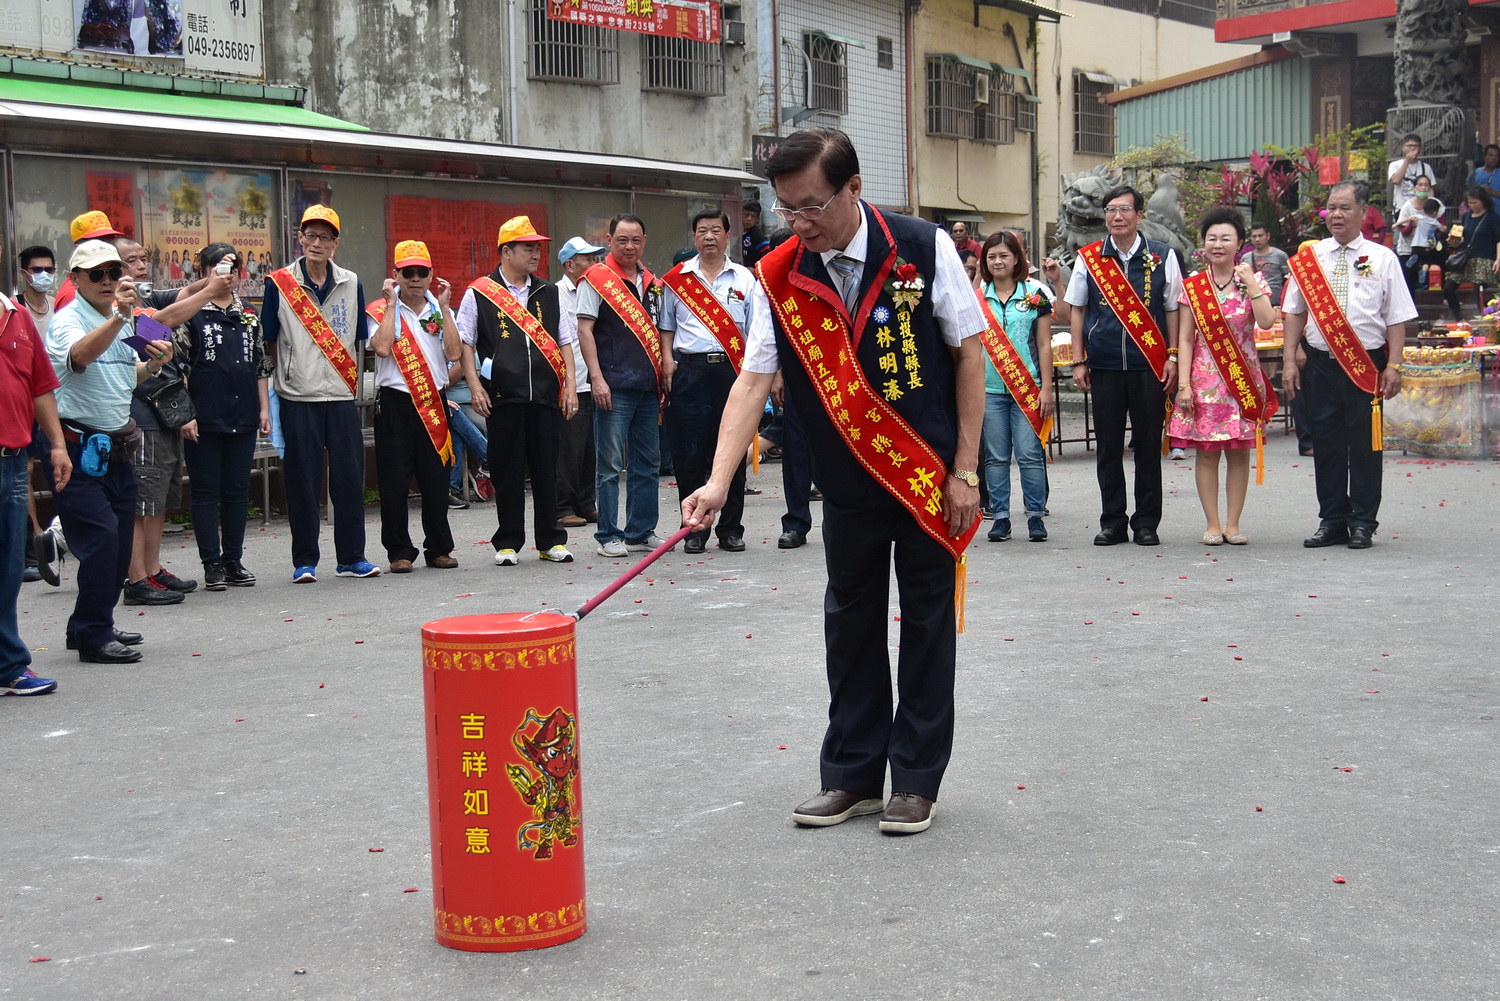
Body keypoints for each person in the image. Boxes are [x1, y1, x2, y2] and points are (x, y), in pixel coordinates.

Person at [682, 127, 987, 836]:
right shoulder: (780, 273)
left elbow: (969, 356)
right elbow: (755, 376)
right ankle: (851, 774)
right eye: (787, 208)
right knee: (849, 622)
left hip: (926, 477)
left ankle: (914, 779)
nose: (800, 222)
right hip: (845, 479)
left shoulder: (921, 246)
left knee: (927, 623)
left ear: (854, 187)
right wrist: (719, 480)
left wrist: (966, 468)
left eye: (812, 206)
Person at [44, 240, 175, 663]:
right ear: (76, 279)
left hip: (119, 446)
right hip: (79, 446)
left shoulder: (131, 318)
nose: (107, 281)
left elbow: (137, 366)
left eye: (113, 273)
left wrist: (155, 363)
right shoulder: (70, 319)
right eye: (96, 274)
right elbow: (79, 357)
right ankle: (94, 636)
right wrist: (121, 318)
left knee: (118, 544)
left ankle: (87, 623)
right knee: (101, 539)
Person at [1282, 180, 1417, 550]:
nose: (1336, 215)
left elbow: (1397, 318)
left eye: (1344, 208)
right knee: (1325, 443)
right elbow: (1293, 311)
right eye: (1331, 208)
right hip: (1321, 365)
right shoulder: (1310, 258)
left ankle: (1362, 522)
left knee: (1364, 444)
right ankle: (1332, 520)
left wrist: (1394, 364)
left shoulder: (1383, 258)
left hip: (1366, 364)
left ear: (1362, 212)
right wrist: (1290, 359)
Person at [260, 204, 377, 582]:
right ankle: (304, 561)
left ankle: (351, 557)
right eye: (310, 235)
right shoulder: (279, 283)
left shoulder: (351, 281)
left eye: (324, 237)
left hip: (342, 396)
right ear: (300, 238)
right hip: (298, 397)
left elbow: (360, 337)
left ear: (335, 243)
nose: (316, 243)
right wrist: (291, 372)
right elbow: (270, 341)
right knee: (302, 483)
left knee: (347, 479)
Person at [1065, 184, 1183, 546]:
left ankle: (1146, 522)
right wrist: (1078, 359)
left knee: (1148, 446)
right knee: (1109, 447)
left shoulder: (1163, 256)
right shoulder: (1090, 258)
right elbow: (1078, 309)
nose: (1117, 216)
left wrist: (1173, 355)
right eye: (1111, 210)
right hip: (1104, 366)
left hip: (1149, 365)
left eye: (1125, 210)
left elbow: (1173, 308)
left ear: (1139, 215)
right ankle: (1113, 521)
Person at [458, 216, 578, 566]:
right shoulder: (479, 292)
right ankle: (508, 541)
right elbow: (466, 342)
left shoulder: (548, 291)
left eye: (537, 248)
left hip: (544, 395)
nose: (536, 254)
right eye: (528, 248)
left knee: (546, 469)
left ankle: (551, 540)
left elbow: (566, 341)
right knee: (507, 470)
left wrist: (569, 385)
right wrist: (476, 385)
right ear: (506, 251)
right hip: (502, 396)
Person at [121, 237, 233, 605]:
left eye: (142, 258)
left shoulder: (147, 296)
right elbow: (161, 325)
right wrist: (210, 290)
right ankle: (135, 577)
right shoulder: (117, 310)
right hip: (142, 414)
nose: (140, 265)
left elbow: (182, 292)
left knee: (160, 499)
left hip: (166, 413)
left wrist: (215, 277)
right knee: (141, 502)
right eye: (131, 260)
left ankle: (152, 569)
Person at [1167, 208, 1278, 547]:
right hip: (1203, 380)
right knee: (1207, 453)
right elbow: (1185, 338)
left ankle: (1233, 523)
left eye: (1225, 238)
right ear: (1204, 245)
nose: (1218, 244)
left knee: (1240, 452)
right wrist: (1183, 384)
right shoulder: (1194, 287)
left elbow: (1267, 322)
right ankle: (1212, 524)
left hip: (1242, 379)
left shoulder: (1252, 281)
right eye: (1212, 238)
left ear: (1240, 243)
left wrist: (1251, 284)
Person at [658, 210, 756, 554]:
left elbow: (757, 330)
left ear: (728, 236)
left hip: (733, 371)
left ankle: (730, 528)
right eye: (702, 231)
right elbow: (666, 327)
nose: (709, 236)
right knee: (690, 453)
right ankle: (694, 529)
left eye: (716, 230)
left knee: (731, 447)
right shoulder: (677, 279)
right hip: (690, 372)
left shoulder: (745, 279)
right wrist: (668, 360)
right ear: (695, 237)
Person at [174, 242, 270, 590]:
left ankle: (233, 559)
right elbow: (179, 365)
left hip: (242, 411)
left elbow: (260, 364)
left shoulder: (248, 314)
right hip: (204, 414)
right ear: (205, 271)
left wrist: (263, 409)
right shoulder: (192, 311)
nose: (228, 274)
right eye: (219, 267)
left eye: (233, 267)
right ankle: (211, 563)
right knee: (203, 491)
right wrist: (186, 413)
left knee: (236, 490)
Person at [575, 214, 668, 559]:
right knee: (610, 464)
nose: (629, 246)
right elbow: (585, 330)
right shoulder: (597, 279)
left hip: (647, 385)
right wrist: (596, 378)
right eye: (622, 240)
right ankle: (608, 534)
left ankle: (641, 531)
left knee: (648, 463)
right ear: (610, 240)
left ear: (644, 241)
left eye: (636, 240)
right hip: (613, 385)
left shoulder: (651, 281)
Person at [368, 240, 462, 573]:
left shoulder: (440, 310)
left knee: (436, 480)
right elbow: (380, 348)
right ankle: (399, 551)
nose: (416, 279)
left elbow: (454, 353)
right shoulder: (379, 309)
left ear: (431, 274)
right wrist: (392, 304)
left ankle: (438, 548)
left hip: (432, 403)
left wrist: (447, 311)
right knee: (394, 481)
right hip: (395, 403)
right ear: (396, 275)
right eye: (408, 272)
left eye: (422, 272)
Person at [1, 287, 69, 695]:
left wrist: (57, 444)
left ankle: (8, 666)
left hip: (11, 458)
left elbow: (40, 384)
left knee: (8, 566)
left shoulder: (17, 315)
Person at [975, 230, 1052, 543]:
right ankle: (1001, 517)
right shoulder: (977, 299)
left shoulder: (1035, 296)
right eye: (992, 256)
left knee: (1030, 454)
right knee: (994, 457)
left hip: (1027, 389)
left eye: (1004, 255)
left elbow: (1045, 345)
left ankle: (1035, 516)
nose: (997, 261)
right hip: (989, 391)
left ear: (1017, 259)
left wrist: (1046, 388)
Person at [554, 236, 604, 527]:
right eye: (587, 259)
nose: (594, 263)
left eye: (596, 258)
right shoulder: (556, 294)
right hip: (570, 383)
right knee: (568, 449)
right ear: (570, 264)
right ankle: (562, 507)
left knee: (590, 449)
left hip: (595, 380)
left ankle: (586, 502)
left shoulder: (597, 290)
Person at [1442, 187, 1500, 321]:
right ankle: (1459, 319)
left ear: (1483, 201)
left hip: (1484, 259)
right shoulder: (1467, 216)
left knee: (1478, 291)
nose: (1472, 205)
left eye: (1475, 203)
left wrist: (1498, 258)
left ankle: (1487, 319)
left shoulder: (1492, 217)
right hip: (1466, 258)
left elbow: (1498, 240)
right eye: (1470, 203)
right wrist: (1455, 241)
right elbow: (1465, 237)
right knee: (1448, 288)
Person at [1246, 224, 1290, 311]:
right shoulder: (1245, 258)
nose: (1257, 239)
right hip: (1253, 302)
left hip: (1275, 303)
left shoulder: (1280, 255)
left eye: (1260, 236)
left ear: (1268, 236)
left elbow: (1288, 277)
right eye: (1254, 236)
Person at [1388, 134, 1437, 209]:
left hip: (1421, 208)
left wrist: (1430, 207)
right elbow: (1396, 180)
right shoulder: (1395, 165)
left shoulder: (1426, 167)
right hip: (1402, 207)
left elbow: (1430, 189)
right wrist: (1407, 160)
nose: (1413, 148)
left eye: (1416, 146)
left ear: (1420, 148)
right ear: (1403, 148)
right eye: (1409, 146)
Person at [741, 202, 770, 269]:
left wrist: (756, 270)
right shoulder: (733, 231)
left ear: (757, 220)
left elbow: (768, 255)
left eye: (753, 216)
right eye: (746, 215)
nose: (749, 219)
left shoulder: (758, 237)